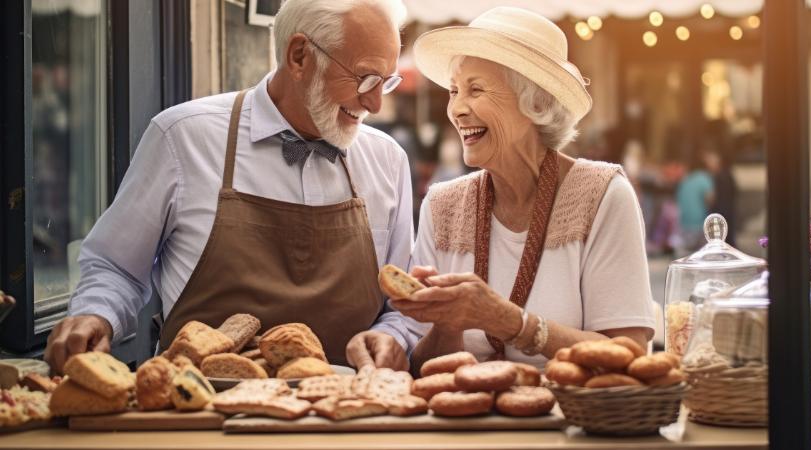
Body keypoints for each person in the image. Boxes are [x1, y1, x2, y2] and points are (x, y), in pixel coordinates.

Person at [45, 0, 416, 373]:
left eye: (387, 82)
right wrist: (95, 314)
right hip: (198, 402)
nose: (375, 104)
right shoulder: (183, 138)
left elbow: (401, 307)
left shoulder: (387, 161)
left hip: (347, 403)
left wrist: (393, 337)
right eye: (366, 78)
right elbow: (117, 267)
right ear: (299, 56)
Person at [391, 7, 655, 371]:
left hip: (567, 407)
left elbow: (630, 355)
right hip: (466, 407)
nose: (457, 109)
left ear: (535, 103)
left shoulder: (602, 194)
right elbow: (423, 368)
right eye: (454, 91)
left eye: (476, 89)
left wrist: (511, 322)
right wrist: (448, 322)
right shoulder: (442, 205)